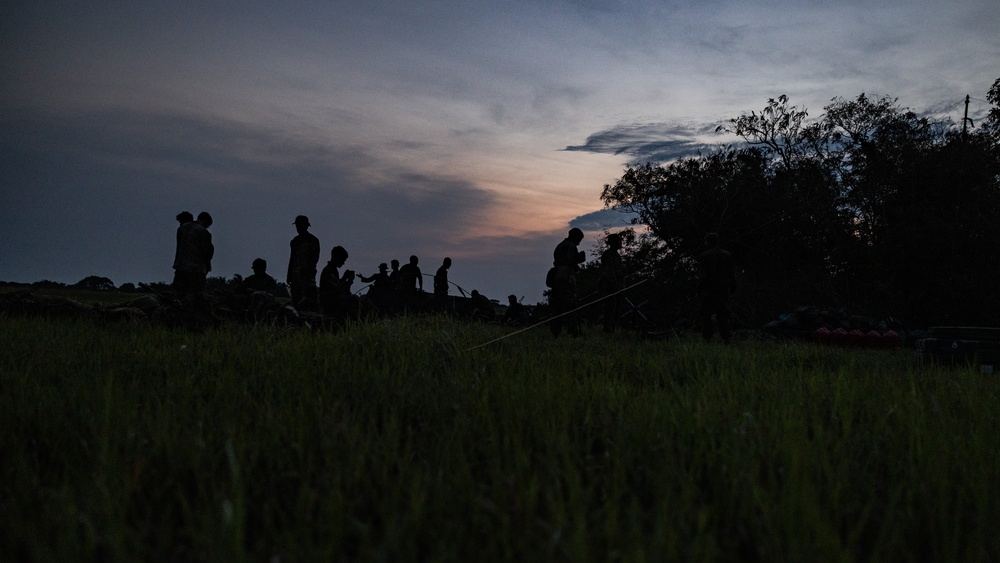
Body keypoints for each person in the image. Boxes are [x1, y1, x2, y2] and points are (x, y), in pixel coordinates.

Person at [697, 232, 737, 343]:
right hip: (723, 289)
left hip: (708, 290)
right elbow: (732, 274)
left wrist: (699, 289)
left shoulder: (704, 257)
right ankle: (726, 337)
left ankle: (707, 337)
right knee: (723, 314)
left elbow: (702, 276)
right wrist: (733, 287)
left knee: (706, 314)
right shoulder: (727, 255)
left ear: (708, 243)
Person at [549, 227, 586, 337]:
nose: (579, 243)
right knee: (571, 306)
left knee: (557, 307)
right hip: (566, 278)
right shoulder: (570, 246)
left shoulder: (560, 245)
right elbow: (571, 260)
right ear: (574, 236)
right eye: (579, 239)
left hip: (557, 278)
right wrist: (580, 258)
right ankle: (574, 332)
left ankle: (555, 332)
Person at [172, 210, 214, 296]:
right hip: (197, 271)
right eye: (208, 226)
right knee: (196, 297)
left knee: (179, 296)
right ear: (205, 221)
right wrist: (207, 267)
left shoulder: (181, 229)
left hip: (180, 268)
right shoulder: (204, 232)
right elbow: (208, 253)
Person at [286, 215, 320, 310]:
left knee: (308, 300)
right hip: (295, 277)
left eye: (300, 226)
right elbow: (292, 258)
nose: (298, 228)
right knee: (296, 300)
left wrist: (306, 271)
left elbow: (314, 259)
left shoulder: (313, 240)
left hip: (307, 277)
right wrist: (289, 275)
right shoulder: (295, 241)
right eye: (297, 226)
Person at [319, 245, 356, 317]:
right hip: (328, 302)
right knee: (353, 300)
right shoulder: (328, 271)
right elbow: (338, 289)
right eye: (343, 260)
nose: (343, 263)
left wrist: (344, 278)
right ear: (338, 257)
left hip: (330, 300)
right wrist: (349, 280)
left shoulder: (333, 270)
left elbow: (338, 286)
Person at [599, 233, 625, 333]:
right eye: (618, 241)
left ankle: (612, 329)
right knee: (610, 309)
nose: (620, 242)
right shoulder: (608, 254)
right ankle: (607, 330)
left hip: (618, 286)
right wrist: (615, 285)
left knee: (616, 309)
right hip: (610, 287)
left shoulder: (617, 255)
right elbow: (609, 272)